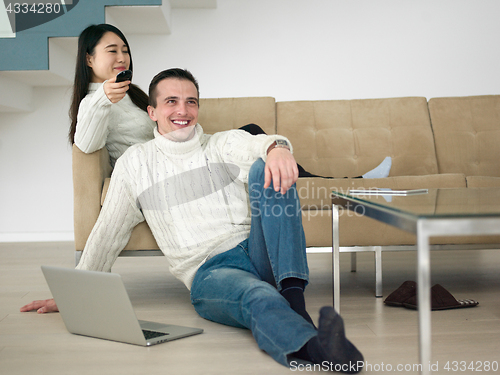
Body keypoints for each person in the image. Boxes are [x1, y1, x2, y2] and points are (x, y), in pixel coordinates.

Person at [22, 68, 364, 373]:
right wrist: (75, 293)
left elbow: (262, 143)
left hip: (259, 252)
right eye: (172, 102)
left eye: (191, 102)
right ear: (152, 112)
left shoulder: (220, 144)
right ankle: (316, 347)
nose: (183, 111)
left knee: (265, 164)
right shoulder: (134, 164)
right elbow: (107, 232)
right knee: (258, 296)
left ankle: (294, 302)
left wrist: (277, 148)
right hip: (212, 273)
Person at [68, 24, 155, 168]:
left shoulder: (133, 93)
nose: (122, 58)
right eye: (113, 51)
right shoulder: (91, 103)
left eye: (125, 51)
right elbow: (85, 147)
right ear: (89, 59)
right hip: (142, 175)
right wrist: (102, 98)